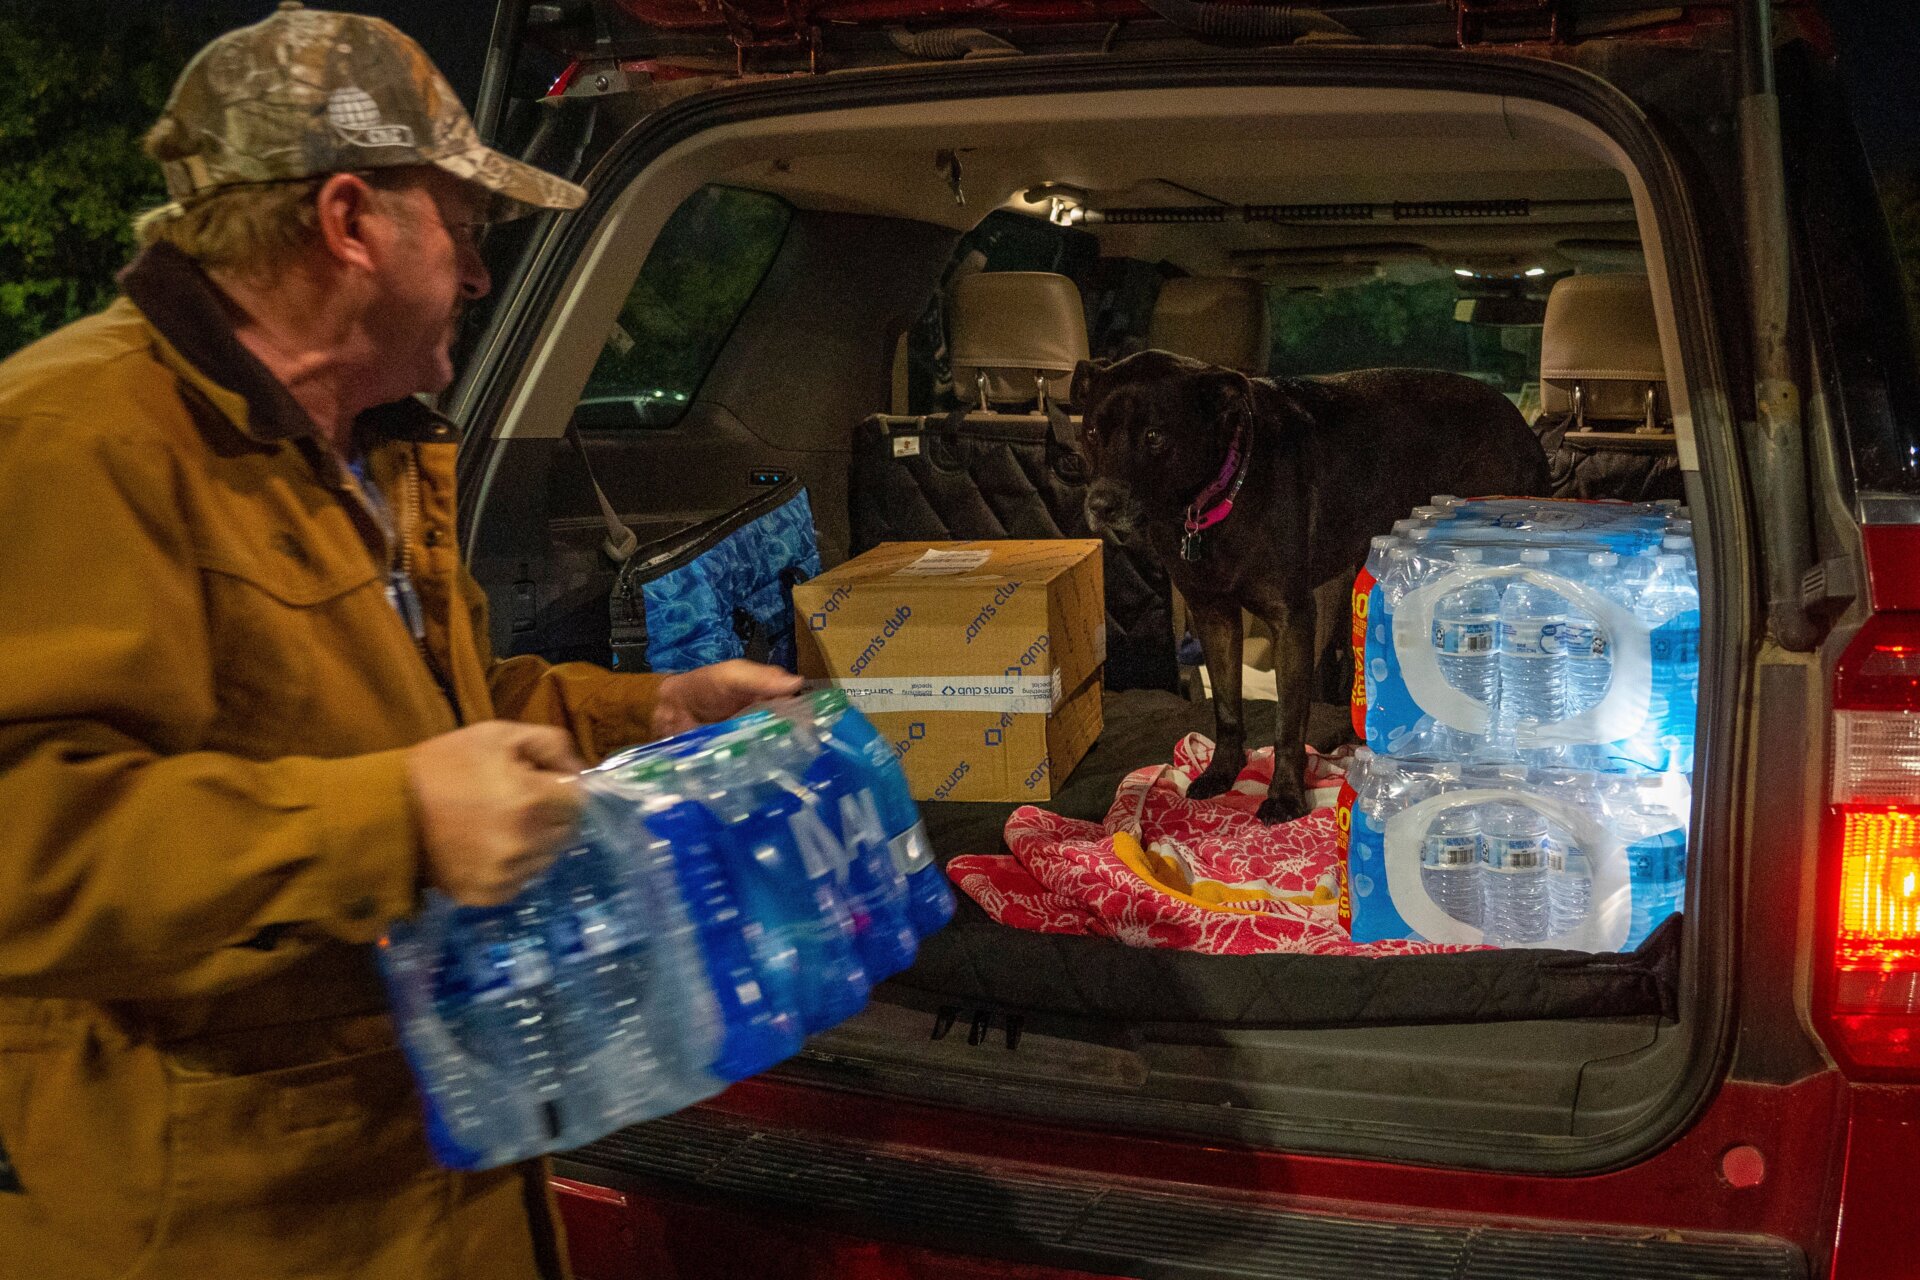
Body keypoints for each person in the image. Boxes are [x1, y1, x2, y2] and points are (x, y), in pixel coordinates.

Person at [0, 6, 799, 1277]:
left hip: (419, 1177)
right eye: (467, 233)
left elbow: (445, 710)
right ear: (349, 221)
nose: (480, 278)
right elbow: (29, 836)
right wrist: (398, 824)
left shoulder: (361, 445)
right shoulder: (74, 434)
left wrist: (639, 715)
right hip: (228, 1218)